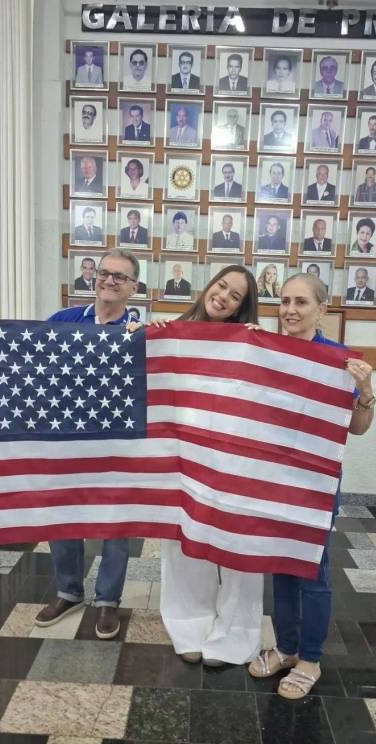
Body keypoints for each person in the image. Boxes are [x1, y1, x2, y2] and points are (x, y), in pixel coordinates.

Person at [0, 249, 144, 636]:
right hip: (64, 437)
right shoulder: (64, 321)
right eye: (104, 273)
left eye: (120, 277)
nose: (109, 280)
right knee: (62, 513)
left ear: (133, 287)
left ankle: (108, 600)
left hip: (116, 443)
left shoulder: (138, 331)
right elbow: (22, 354)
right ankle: (69, 592)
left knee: (115, 523)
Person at [248, 272, 374, 699]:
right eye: (284, 301)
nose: (290, 310)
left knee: (313, 571)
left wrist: (365, 391)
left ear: (322, 309)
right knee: (281, 566)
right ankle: (287, 648)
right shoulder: (267, 350)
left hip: (314, 484)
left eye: (301, 302)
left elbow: (358, 428)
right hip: (272, 479)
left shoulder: (338, 361)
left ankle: (311, 658)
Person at [156, 265, 263, 667]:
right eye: (222, 286)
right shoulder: (172, 331)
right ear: (209, 285)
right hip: (182, 456)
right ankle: (188, 625)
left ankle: (235, 633)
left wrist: (260, 346)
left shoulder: (250, 342)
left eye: (236, 296)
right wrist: (145, 335)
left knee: (238, 546)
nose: (224, 297)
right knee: (183, 541)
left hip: (233, 458)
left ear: (241, 307)